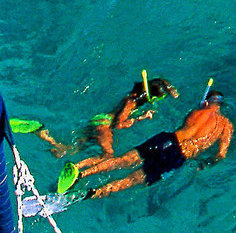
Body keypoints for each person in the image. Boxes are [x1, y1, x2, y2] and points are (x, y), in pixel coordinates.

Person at [65, 82, 235, 200]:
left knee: (122, 161)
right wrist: (205, 163)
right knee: (131, 180)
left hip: (167, 140)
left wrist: (201, 106)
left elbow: (189, 124)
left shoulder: (199, 111)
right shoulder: (226, 126)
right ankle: (96, 192)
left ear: (207, 101)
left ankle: (81, 174)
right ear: (220, 105)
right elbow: (221, 155)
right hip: (179, 157)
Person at [12, 72, 178, 171]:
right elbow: (120, 124)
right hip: (104, 125)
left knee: (68, 149)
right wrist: (140, 118)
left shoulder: (132, 95)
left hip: (100, 121)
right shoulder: (132, 102)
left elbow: (158, 83)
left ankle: (40, 131)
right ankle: (76, 169)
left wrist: (169, 88)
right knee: (108, 156)